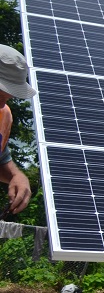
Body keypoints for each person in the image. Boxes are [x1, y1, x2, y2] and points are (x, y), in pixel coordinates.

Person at [0, 44, 36, 219]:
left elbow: (1, 159)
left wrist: (16, 175)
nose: (2, 104)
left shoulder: (3, 115)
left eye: (8, 98)